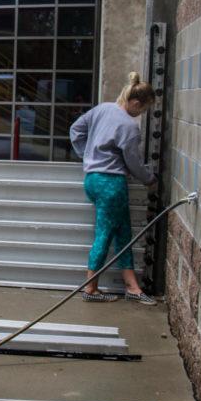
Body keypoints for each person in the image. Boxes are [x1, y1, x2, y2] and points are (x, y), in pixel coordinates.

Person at [70, 71, 157, 305]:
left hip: (92, 179)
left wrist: (87, 155)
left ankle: (132, 286)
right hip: (111, 183)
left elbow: (75, 130)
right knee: (105, 233)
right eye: (143, 109)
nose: (141, 114)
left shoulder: (102, 109)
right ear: (136, 103)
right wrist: (149, 179)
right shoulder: (129, 126)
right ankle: (91, 288)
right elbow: (133, 162)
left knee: (122, 231)